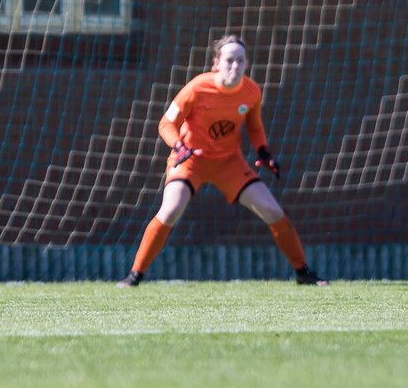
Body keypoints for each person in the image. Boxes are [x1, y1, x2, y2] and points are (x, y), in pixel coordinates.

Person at [117, 35, 327, 287]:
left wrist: (263, 152)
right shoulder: (196, 88)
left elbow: (255, 127)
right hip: (190, 159)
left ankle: (303, 272)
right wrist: (178, 145)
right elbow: (166, 124)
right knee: (171, 210)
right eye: (229, 60)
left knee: (273, 211)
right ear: (216, 63)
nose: (235, 66)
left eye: (240, 61)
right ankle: (134, 276)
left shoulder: (251, 92)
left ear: (246, 63)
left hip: (229, 162)